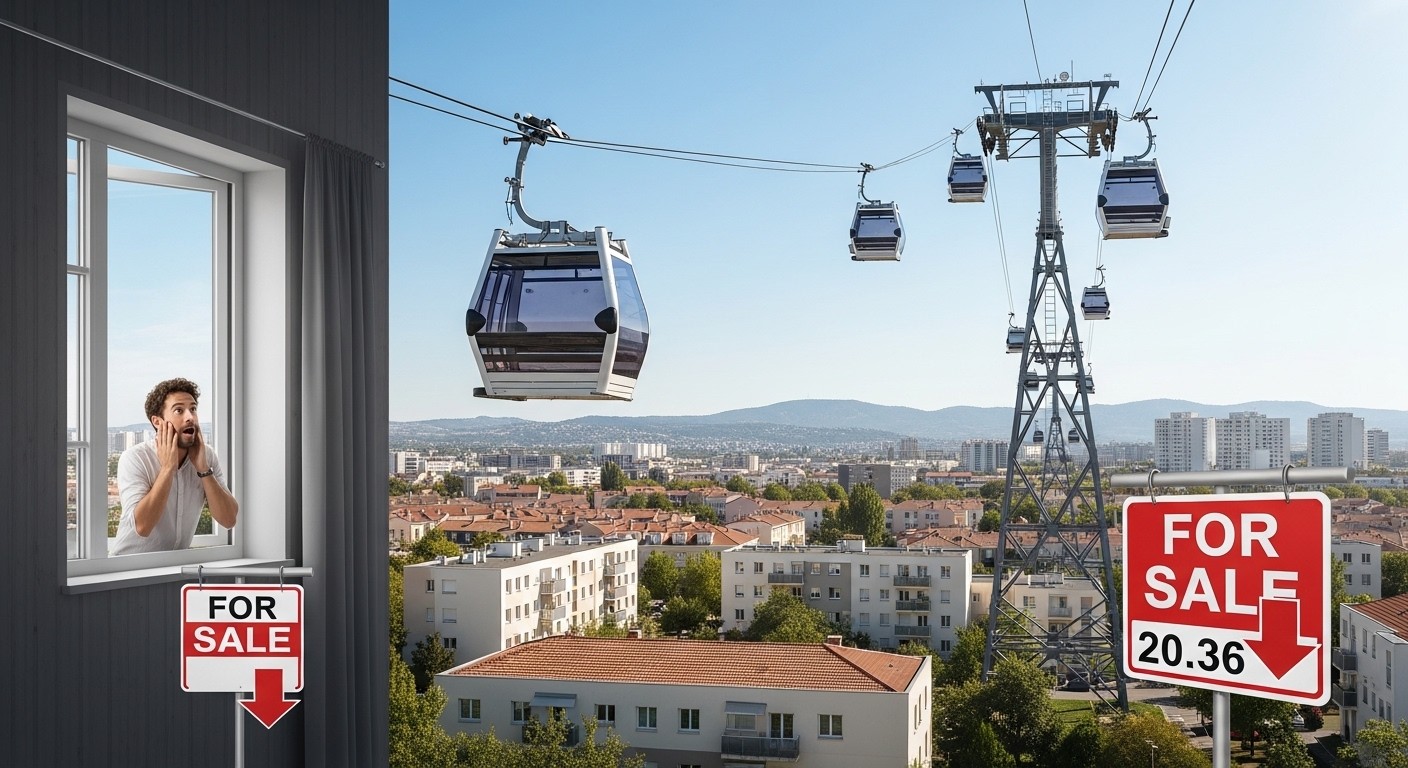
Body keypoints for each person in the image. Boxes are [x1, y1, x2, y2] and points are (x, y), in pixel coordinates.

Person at [113, 378, 239, 554]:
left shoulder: (207, 456)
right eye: (179, 410)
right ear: (157, 422)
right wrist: (167, 469)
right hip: (130, 568)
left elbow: (228, 519)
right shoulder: (135, 458)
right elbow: (142, 526)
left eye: (193, 409)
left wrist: (203, 469)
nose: (190, 417)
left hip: (177, 567)